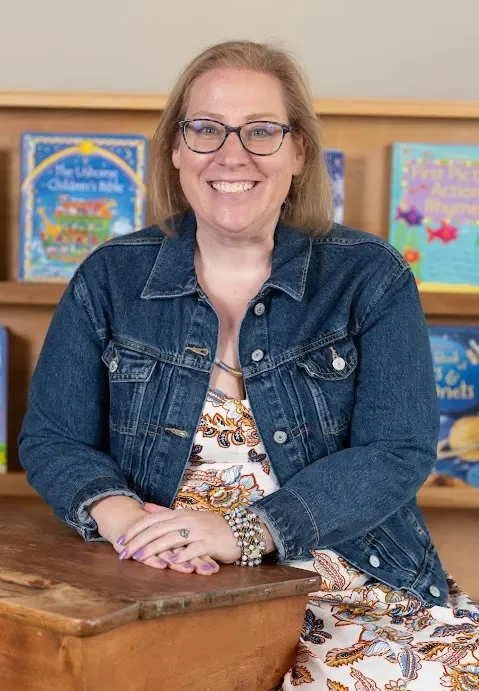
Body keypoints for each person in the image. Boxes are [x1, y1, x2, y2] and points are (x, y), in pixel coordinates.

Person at [19, 40, 479, 690]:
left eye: (261, 131)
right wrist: (121, 518)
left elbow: (396, 450)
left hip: (340, 574)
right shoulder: (108, 276)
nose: (230, 154)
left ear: (298, 152)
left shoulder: (369, 276)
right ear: (175, 148)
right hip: (155, 576)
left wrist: (246, 529)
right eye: (205, 129)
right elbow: (53, 438)